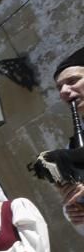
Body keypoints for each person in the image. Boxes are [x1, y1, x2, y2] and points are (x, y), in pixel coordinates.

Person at [52, 46, 84, 230]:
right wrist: (73, 209)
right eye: (59, 87)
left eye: (73, 80)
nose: (63, 91)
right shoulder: (72, 145)